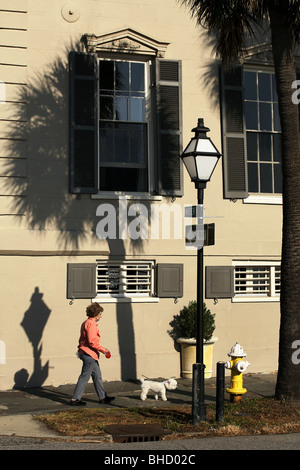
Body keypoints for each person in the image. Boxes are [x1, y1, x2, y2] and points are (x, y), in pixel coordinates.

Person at [70, 302, 115, 406]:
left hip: (89, 354)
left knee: (97, 376)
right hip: (88, 354)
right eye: (100, 313)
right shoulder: (92, 324)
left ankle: (102, 397)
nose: (100, 315)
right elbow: (92, 342)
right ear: (96, 314)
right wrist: (104, 350)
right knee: (84, 377)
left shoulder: (86, 322)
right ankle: (75, 399)